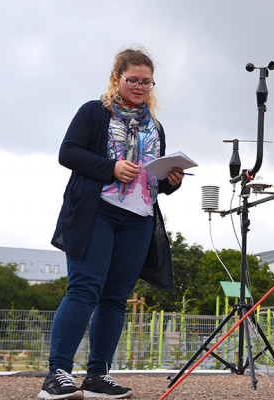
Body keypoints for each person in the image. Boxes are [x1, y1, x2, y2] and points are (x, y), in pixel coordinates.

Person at [40, 48, 184, 400]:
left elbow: (153, 177)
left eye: (146, 81)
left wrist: (170, 181)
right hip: (97, 211)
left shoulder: (155, 124)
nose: (139, 86)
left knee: (116, 298)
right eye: (132, 79)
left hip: (138, 218)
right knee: (85, 288)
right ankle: (57, 374)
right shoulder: (94, 112)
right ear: (116, 78)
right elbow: (68, 152)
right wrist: (111, 168)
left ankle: (97, 377)